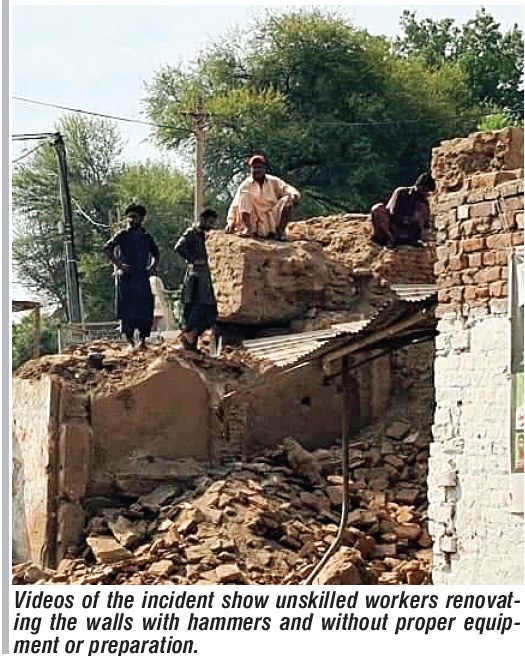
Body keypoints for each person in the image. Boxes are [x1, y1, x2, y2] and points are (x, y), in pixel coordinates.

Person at [103, 203, 160, 350]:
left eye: (134, 217)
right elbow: (107, 248)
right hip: (126, 278)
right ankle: (130, 342)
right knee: (126, 311)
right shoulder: (122, 235)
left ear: (141, 219)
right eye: (129, 217)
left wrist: (152, 268)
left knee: (144, 311)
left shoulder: (146, 237)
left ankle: (142, 341)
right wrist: (120, 265)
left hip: (141, 277)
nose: (131, 220)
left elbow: (156, 253)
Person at [226, 154, 300, 240]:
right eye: (254, 168)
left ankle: (279, 234)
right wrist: (230, 221)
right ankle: (248, 229)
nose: (257, 170)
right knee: (245, 194)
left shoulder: (273, 181)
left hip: (270, 219)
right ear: (251, 169)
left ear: (264, 168)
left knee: (288, 199)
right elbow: (235, 205)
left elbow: (286, 188)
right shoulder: (245, 185)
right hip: (253, 221)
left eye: (259, 167)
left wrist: (294, 194)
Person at [174, 209, 218, 351]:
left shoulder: (207, 235)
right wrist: (193, 260)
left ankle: (192, 337)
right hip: (196, 276)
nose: (211, 226)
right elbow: (179, 247)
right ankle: (189, 338)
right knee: (196, 308)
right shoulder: (192, 232)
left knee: (210, 312)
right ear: (202, 219)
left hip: (207, 276)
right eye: (210, 222)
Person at [370, 172, 436, 248]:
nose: (425, 193)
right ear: (418, 186)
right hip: (393, 227)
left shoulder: (423, 203)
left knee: (423, 208)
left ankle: (411, 240)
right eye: (424, 190)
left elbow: (424, 223)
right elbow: (392, 213)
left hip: (410, 231)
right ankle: (390, 239)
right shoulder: (401, 192)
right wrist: (407, 219)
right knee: (377, 208)